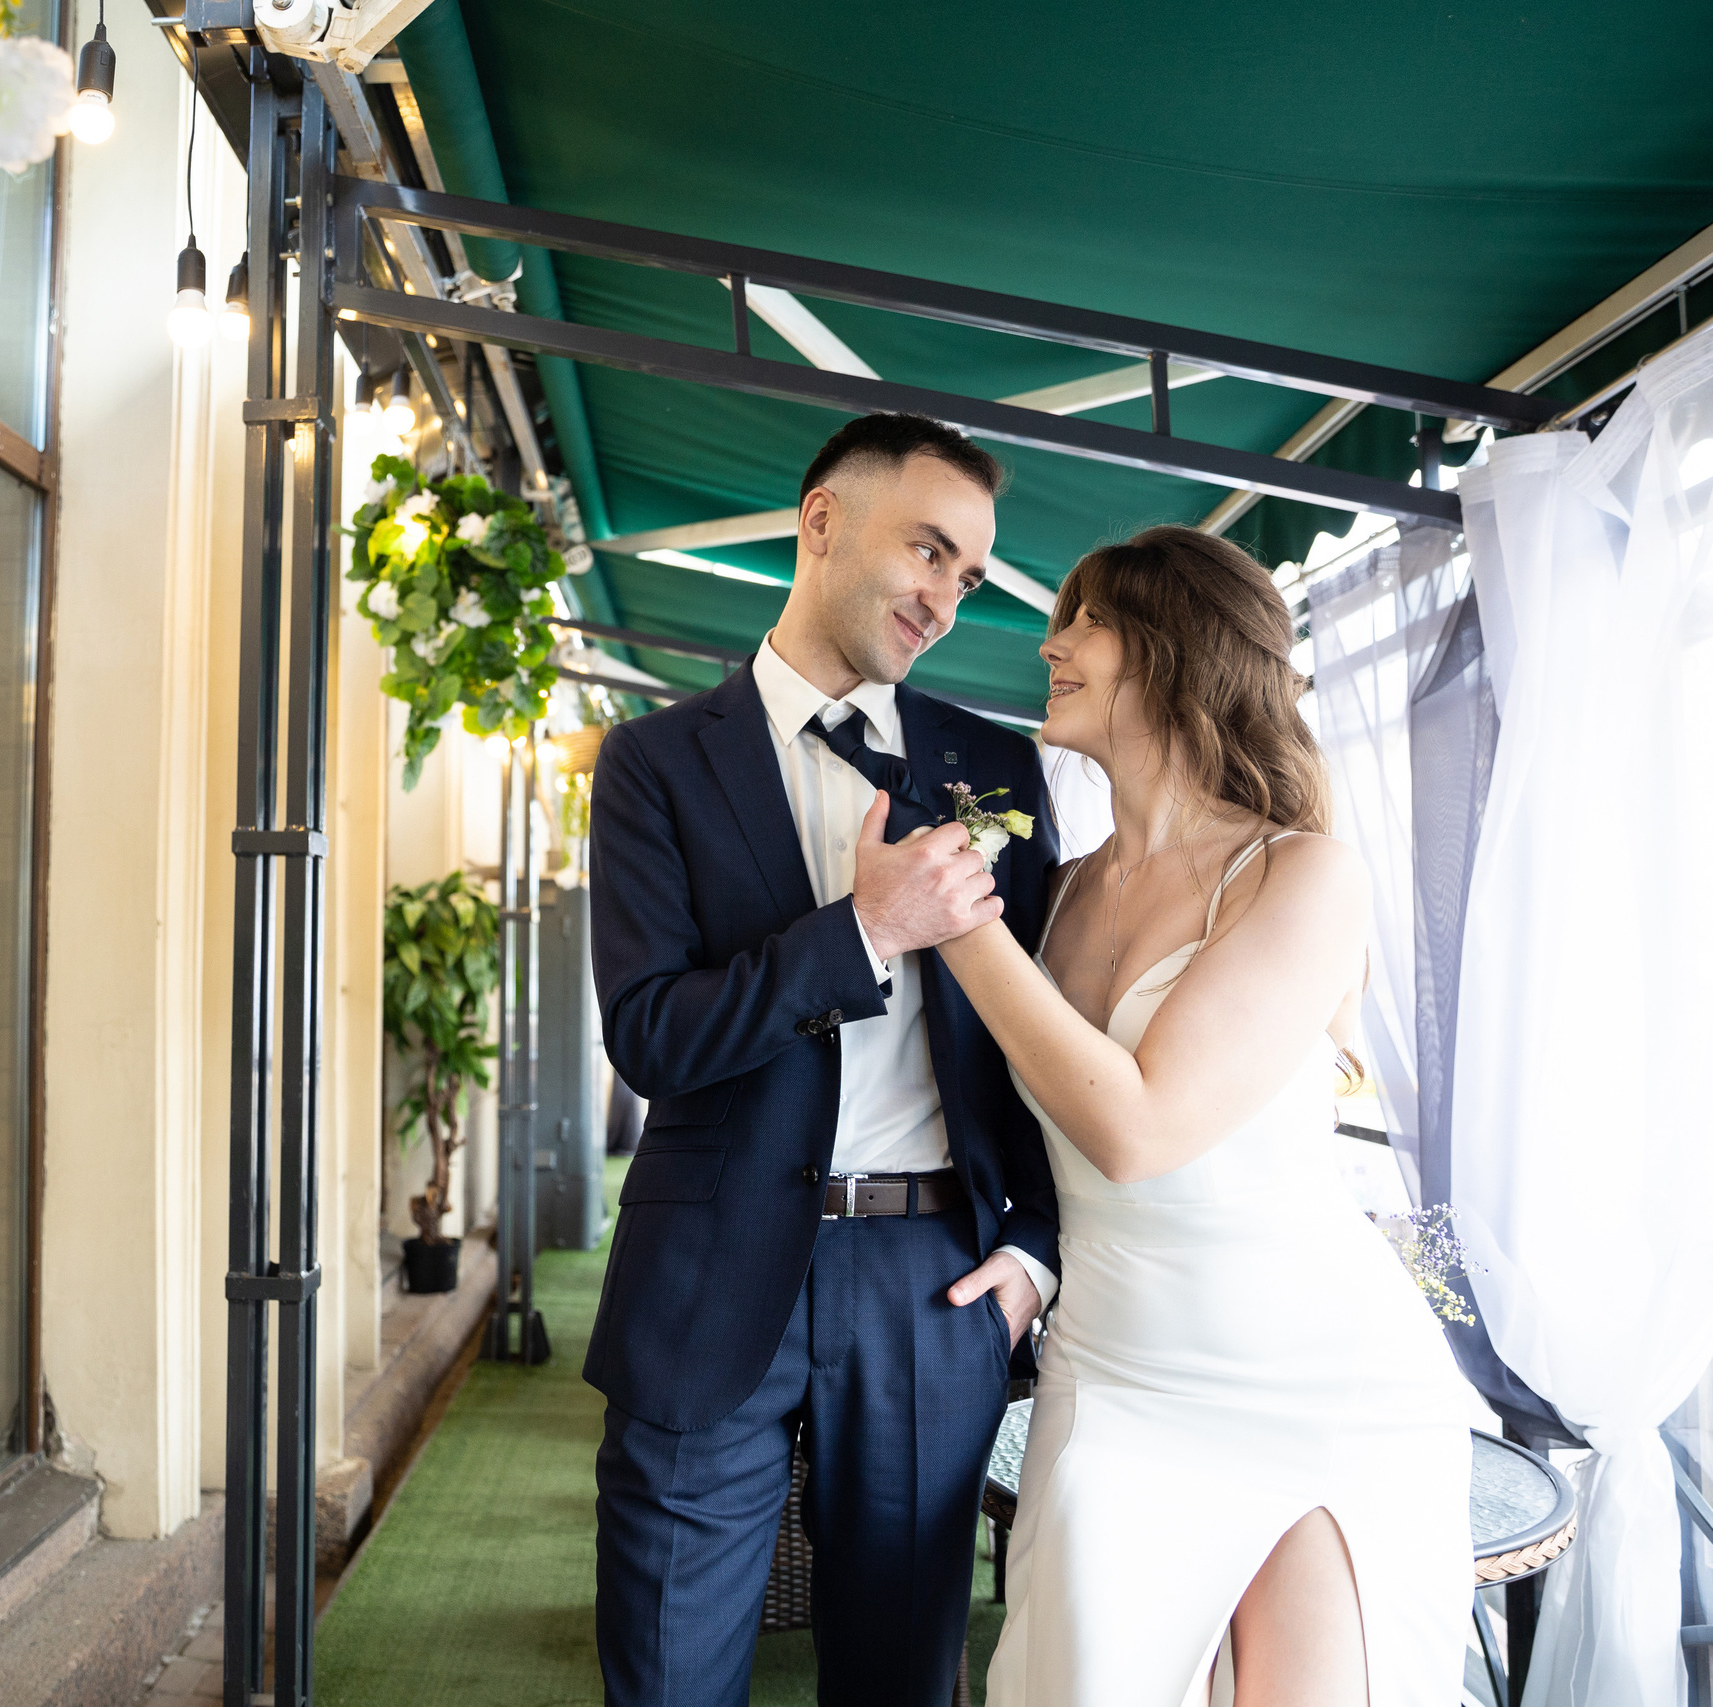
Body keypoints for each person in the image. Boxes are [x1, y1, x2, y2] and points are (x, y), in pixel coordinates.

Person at [897, 525, 1474, 1707]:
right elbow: (1029, 1121)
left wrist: (952, 922)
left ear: (1177, 651)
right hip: (1112, 1375)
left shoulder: (1301, 873)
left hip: (1316, 1382)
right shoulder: (1055, 888)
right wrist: (1024, 1254)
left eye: (1088, 621)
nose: (1050, 645)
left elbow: (1140, 1129)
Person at [587, 412, 1061, 1707]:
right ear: (821, 522)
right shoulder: (653, 763)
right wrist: (864, 930)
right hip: (704, 1272)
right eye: (928, 550)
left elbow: (1046, 1032)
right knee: (667, 1676)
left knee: (901, 1680)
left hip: (933, 1287)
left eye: (968, 575)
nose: (946, 599)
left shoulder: (995, 766)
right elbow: (649, 1034)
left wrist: (1032, 1250)